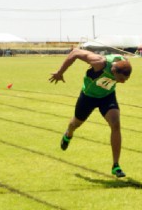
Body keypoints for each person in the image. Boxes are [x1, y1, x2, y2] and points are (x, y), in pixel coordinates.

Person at [49, 48, 132, 178]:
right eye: (121, 79)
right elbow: (75, 52)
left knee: (115, 124)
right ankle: (68, 134)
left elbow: (121, 65)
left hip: (107, 96)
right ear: (114, 71)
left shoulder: (124, 64)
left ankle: (116, 165)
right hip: (88, 97)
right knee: (75, 124)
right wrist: (60, 72)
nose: (123, 82)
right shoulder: (99, 63)